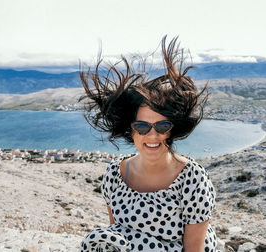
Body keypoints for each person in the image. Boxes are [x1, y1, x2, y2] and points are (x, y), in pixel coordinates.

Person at [79, 37, 217, 252]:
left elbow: (194, 249)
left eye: (162, 126)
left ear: (172, 129)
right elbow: (117, 235)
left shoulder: (193, 179)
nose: (152, 135)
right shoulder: (115, 175)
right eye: (142, 127)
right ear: (130, 129)